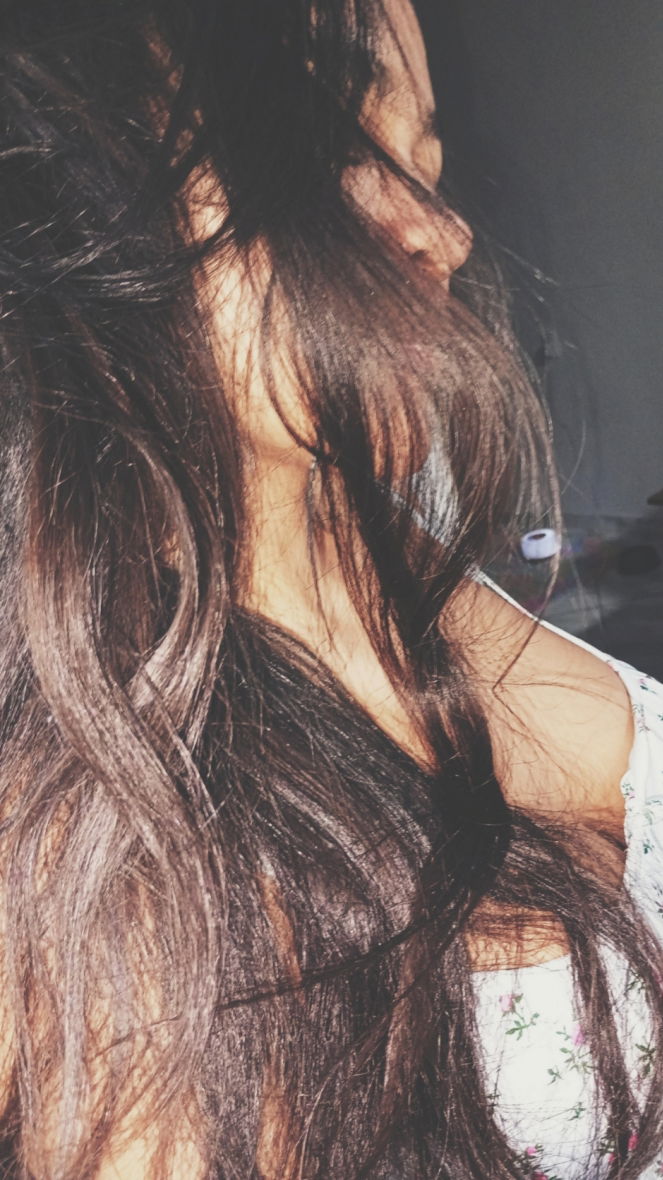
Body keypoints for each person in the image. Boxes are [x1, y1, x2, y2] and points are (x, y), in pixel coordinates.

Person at [0, 0, 662, 1176]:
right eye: (327, 139)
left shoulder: (428, 581)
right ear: (79, 181)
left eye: (426, 162)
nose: (446, 231)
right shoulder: (84, 836)